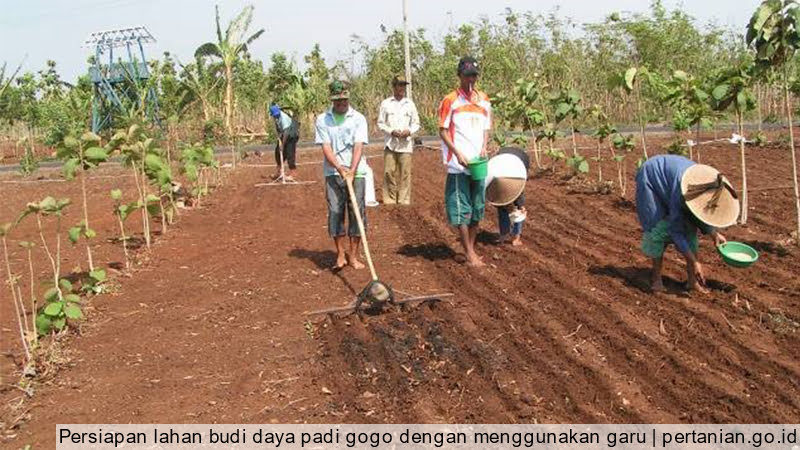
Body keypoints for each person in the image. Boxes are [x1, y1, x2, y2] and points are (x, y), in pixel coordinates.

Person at [635, 155, 739, 293]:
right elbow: (675, 230)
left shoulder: (710, 189)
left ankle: (692, 281)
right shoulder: (681, 192)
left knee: (690, 230)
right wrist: (694, 262)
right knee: (658, 229)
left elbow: (701, 213)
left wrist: (714, 233)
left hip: (673, 180)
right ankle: (656, 279)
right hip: (652, 175)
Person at [438, 56, 491, 267]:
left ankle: (471, 247)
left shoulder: (484, 100)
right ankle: (469, 253)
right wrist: (457, 152)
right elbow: (442, 130)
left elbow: (486, 128)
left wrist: (485, 146)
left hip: (478, 161)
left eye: (474, 75)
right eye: (467, 75)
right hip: (458, 163)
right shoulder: (450, 100)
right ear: (459, 75)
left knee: (478, 207)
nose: (471, 79)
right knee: (461, 208)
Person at [315, 80, 370, 270]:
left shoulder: (358, 118)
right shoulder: (323, 120)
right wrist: (340, 168)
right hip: (333, 172)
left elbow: (359, 145)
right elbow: (326, 147)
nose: (341, 104)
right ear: (332, 101)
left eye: (344, 101)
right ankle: (340, 255)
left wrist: (352, 170)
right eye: (338, 102)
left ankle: (353, 256)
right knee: (336, 212)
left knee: (357, 213)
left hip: (357, 172)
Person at [377, 74, 420, 205]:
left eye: (403, 85)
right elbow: (380, 123)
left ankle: (403, 199)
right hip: (391, 143)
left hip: (405, 144)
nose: (402, 88)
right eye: (399, 85)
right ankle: (390, 199)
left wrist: (409, 131)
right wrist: (391, 131)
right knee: (389, 172)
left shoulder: (410, 104)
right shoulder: (386, 104)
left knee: (405, 173)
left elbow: (416, 123)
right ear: (394, 86)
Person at [485, 147, 530, 247]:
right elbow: (494, 196)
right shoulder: (491, 174)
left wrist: (521, 205)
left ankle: (516, 237)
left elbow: (520, 191)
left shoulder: (518, 175)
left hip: (520, 162)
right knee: (502, 206)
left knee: (518, 209)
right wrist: (505, 205)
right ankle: (504, 233)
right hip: (501, 167)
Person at [269, 104, 300, 180]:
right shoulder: (276, 118)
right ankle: (279, 171)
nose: (275, 116)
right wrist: (279, 139)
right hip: (284, 135)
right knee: (277, 152)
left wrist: (282, 144)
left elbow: (286, 132)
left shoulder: (284, 118)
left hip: (291, 135)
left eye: (276, 114)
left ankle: (293, 173)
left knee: (290, 153)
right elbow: (279, 129)